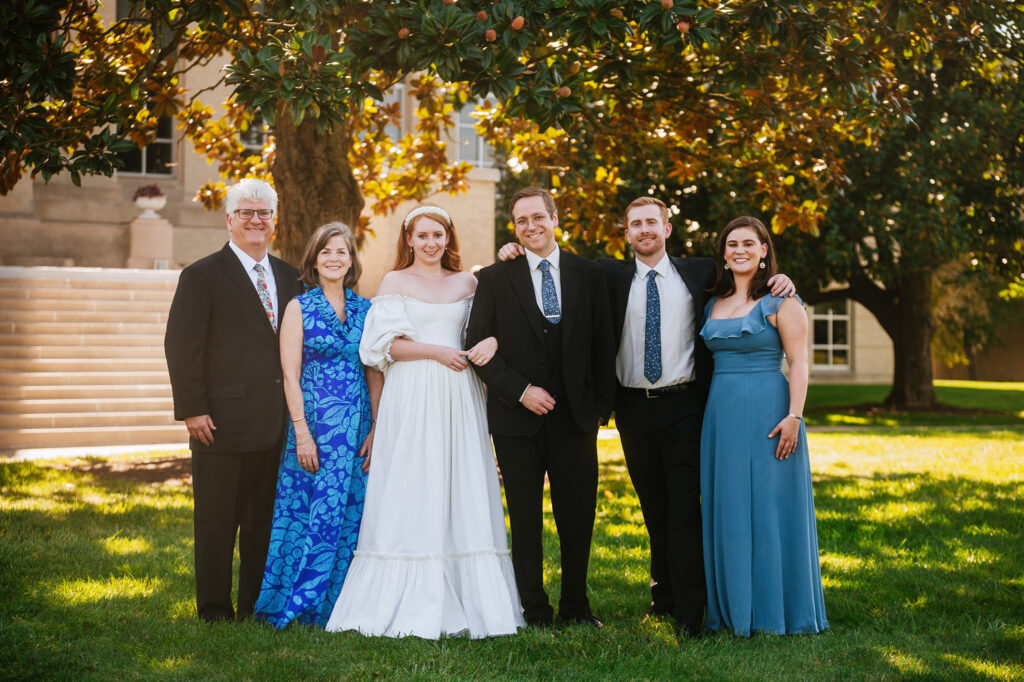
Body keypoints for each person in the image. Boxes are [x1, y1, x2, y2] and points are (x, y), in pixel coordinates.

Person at [497, 197, 793, 637]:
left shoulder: (700, 273)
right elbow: (554, 265)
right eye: (635, 224)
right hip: (633, 408)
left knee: (684, 509)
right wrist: (513, 251)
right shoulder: (607, 276)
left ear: (667, 228)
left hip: (685, 405)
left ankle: (691, 613)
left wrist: (779, 279)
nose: (644, 230)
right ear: (627, 233)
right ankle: (663, 597)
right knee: (653, 508)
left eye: (652, 222)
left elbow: (745, 272)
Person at [325, 204, 524, 639]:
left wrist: (491, 340)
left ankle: (472, 601)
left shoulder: (469, 282)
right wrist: (437, 352)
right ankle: (403, 598)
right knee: (413, 482)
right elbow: (384, 347)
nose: (431, 243)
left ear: (448, 238)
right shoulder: (395, 282)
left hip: (460, 393)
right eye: (422, 236)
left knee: (459, 483)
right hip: (412, 393)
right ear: (409, 240)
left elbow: (494, 327)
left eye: (438, 235)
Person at [466, 187, 617, 628]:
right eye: (521, 221)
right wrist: (520, 390)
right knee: (525, 517)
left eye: (538, 217)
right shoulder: (495, 277)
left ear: (554, 218)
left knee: (577, 516)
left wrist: (600, 408)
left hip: (575, 418)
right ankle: (533, 608)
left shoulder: (589, 274)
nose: (530, 226)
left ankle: (576, 606)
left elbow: (604, 341)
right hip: (515, 420)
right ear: (513, 227)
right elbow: (476, 346)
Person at [164, 178, 302, 623]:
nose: (255, 220)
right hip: (219, 422)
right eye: (246, 212)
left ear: (274, 220)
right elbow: (182, 345)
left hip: (275, 423)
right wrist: (192, 408)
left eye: (264, 213)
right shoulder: (202, 275)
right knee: (216, 523)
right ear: (229, 219)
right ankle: (214, 610)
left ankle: (253, 607)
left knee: (263, 523)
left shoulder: (291, 276)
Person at [699, 216, 828, 636]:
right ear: (723, 253)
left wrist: (795, 416)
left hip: (772, 413)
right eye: (732, 244)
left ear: (763, 251)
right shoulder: (712, 302)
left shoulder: (782, 300)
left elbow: (800, 362)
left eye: (748, 244)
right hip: (722, 415)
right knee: (729, 505)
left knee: (770, 507)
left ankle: (776, 611)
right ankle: (733, 609)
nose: (740, 250)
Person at [254, 222, 383, 629]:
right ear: (313, 260)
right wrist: (302, 434)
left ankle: (342, 605)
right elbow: (289, 376)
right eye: (326, 251)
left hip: (356, 430)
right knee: (308, 515)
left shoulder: (366, 309)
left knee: (350, 515)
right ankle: (297, 602)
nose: (333, 258)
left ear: (351, 260)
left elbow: (374, 373)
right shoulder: (299, 307)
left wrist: (376, 428)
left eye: (341, 251)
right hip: (314, 430)